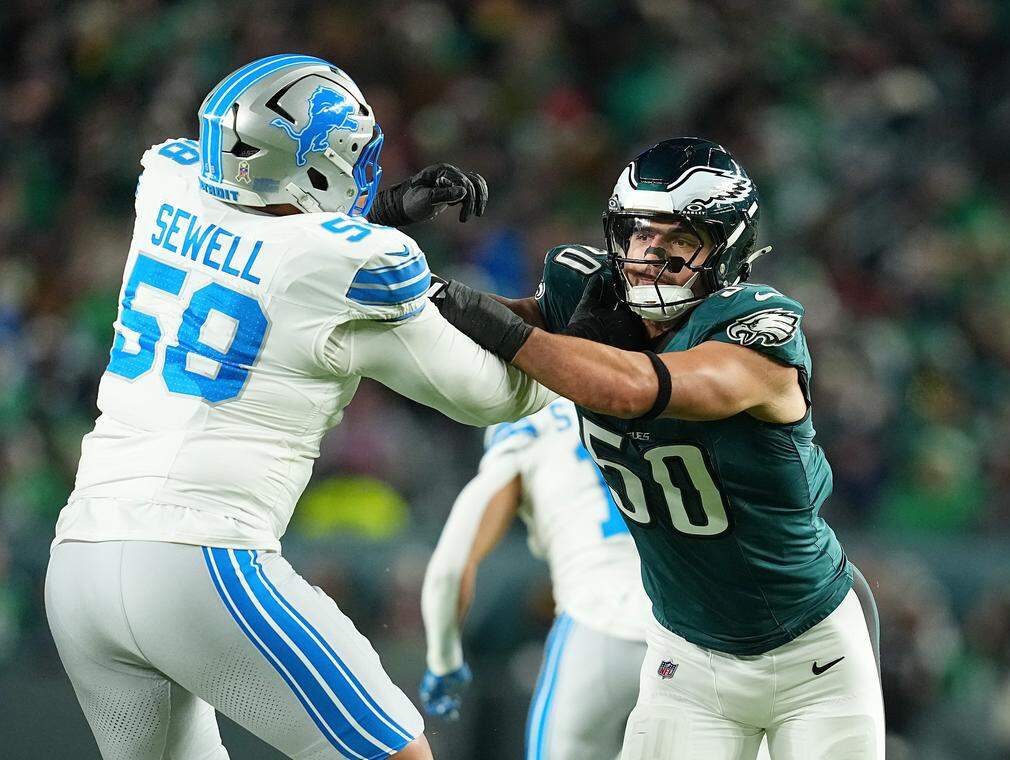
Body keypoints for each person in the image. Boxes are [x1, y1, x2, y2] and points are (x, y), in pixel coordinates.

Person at [44, 54, 555, 760]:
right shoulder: (353, 263)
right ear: (316, 164)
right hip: (203, 560)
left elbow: (263, 235)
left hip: (78, 563)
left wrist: (377, 212)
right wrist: (575, 343)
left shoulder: (167, 184)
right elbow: (493, 398)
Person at [429, 138, 886, 759]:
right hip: (686, 658)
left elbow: (628, 387)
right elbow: (478, 335)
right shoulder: (590, 301)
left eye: (679, 239)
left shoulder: (760, 333)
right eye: (640, 234)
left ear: (727, 245)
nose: (650, 255)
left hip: (811, 655)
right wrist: (391, 264)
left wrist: (476, 312)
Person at [419, 397, 651, 760]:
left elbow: (451, 565)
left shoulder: (527, 425)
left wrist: (443, 658)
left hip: (593, 626)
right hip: (685, 627)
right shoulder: (632, 383)